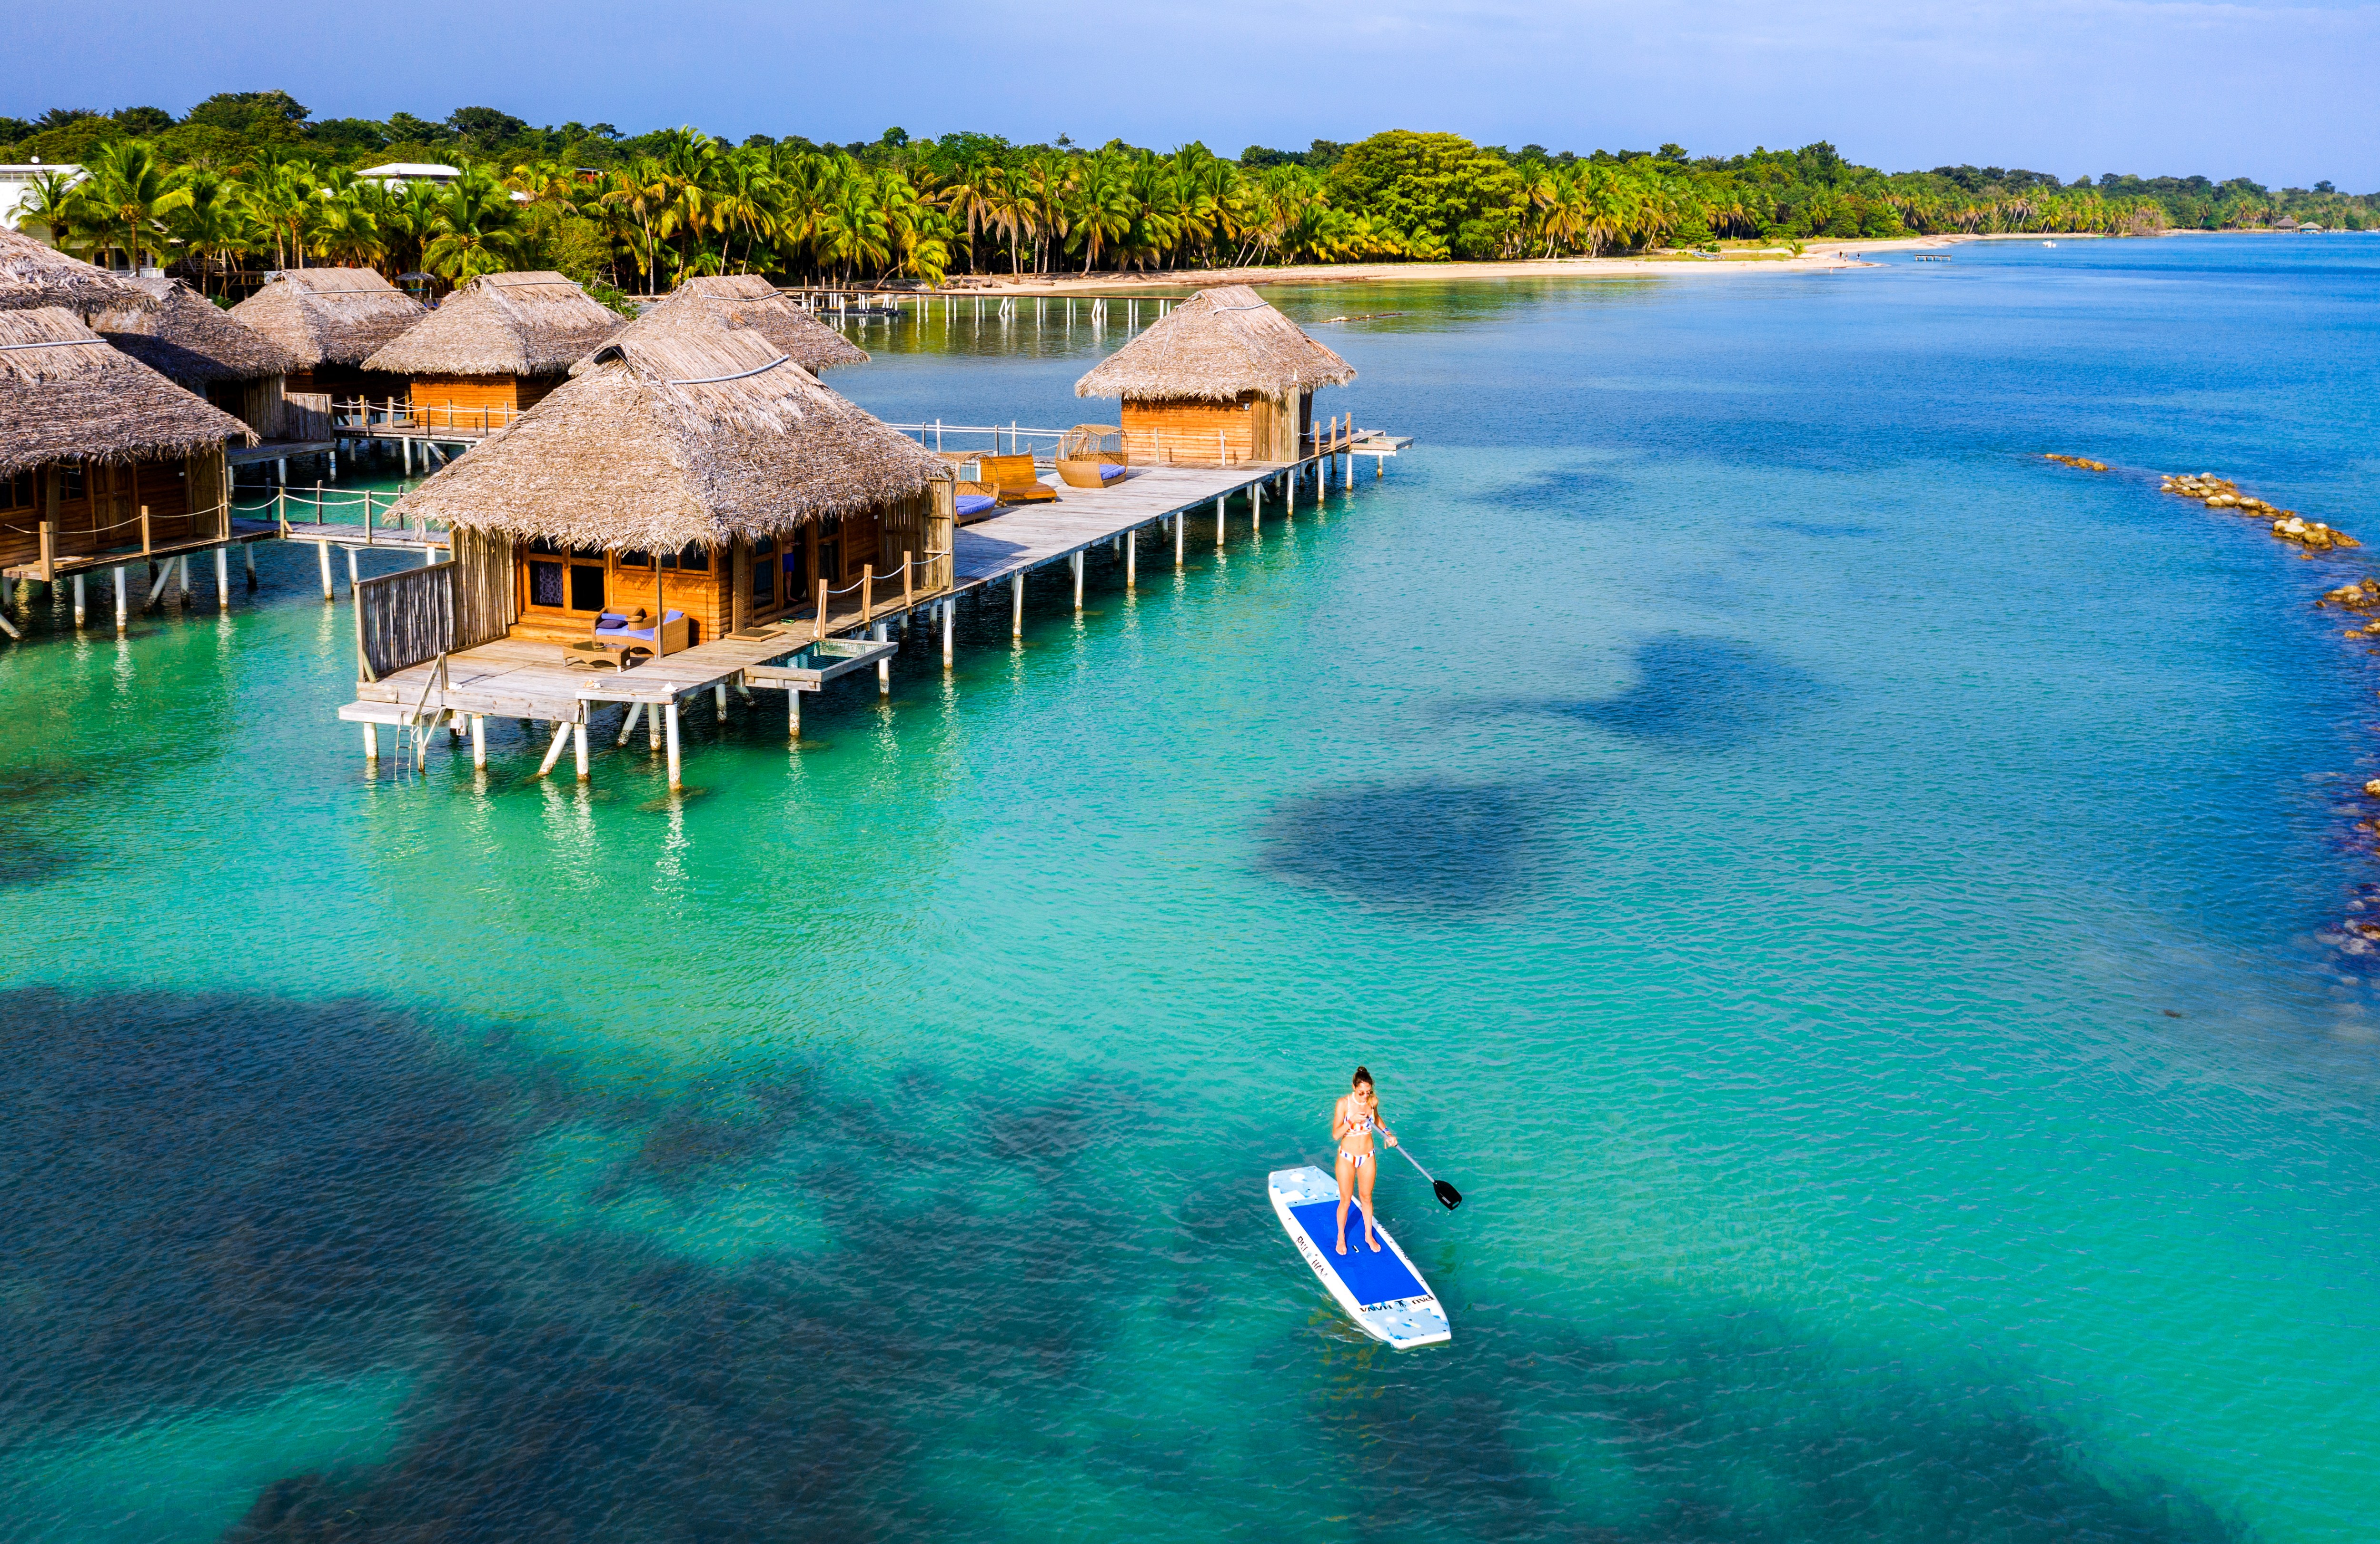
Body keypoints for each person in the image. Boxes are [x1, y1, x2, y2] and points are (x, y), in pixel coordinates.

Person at [1332, 1066, 1398, 1255]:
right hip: (1346, 1158)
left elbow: (1377, 1120)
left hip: (1368, 1156)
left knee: (1367, 1198)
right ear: (1354, 1087)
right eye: (1361, 1093)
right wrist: (1351, 1120)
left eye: (1368, 1093)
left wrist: (1388, 1134)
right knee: (1345, 1200)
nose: (1364, 1097)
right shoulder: (1343, 1104)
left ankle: (1369, 1236)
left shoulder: (1372, 1101)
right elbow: (1336, 1134)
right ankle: (1341, 1237)